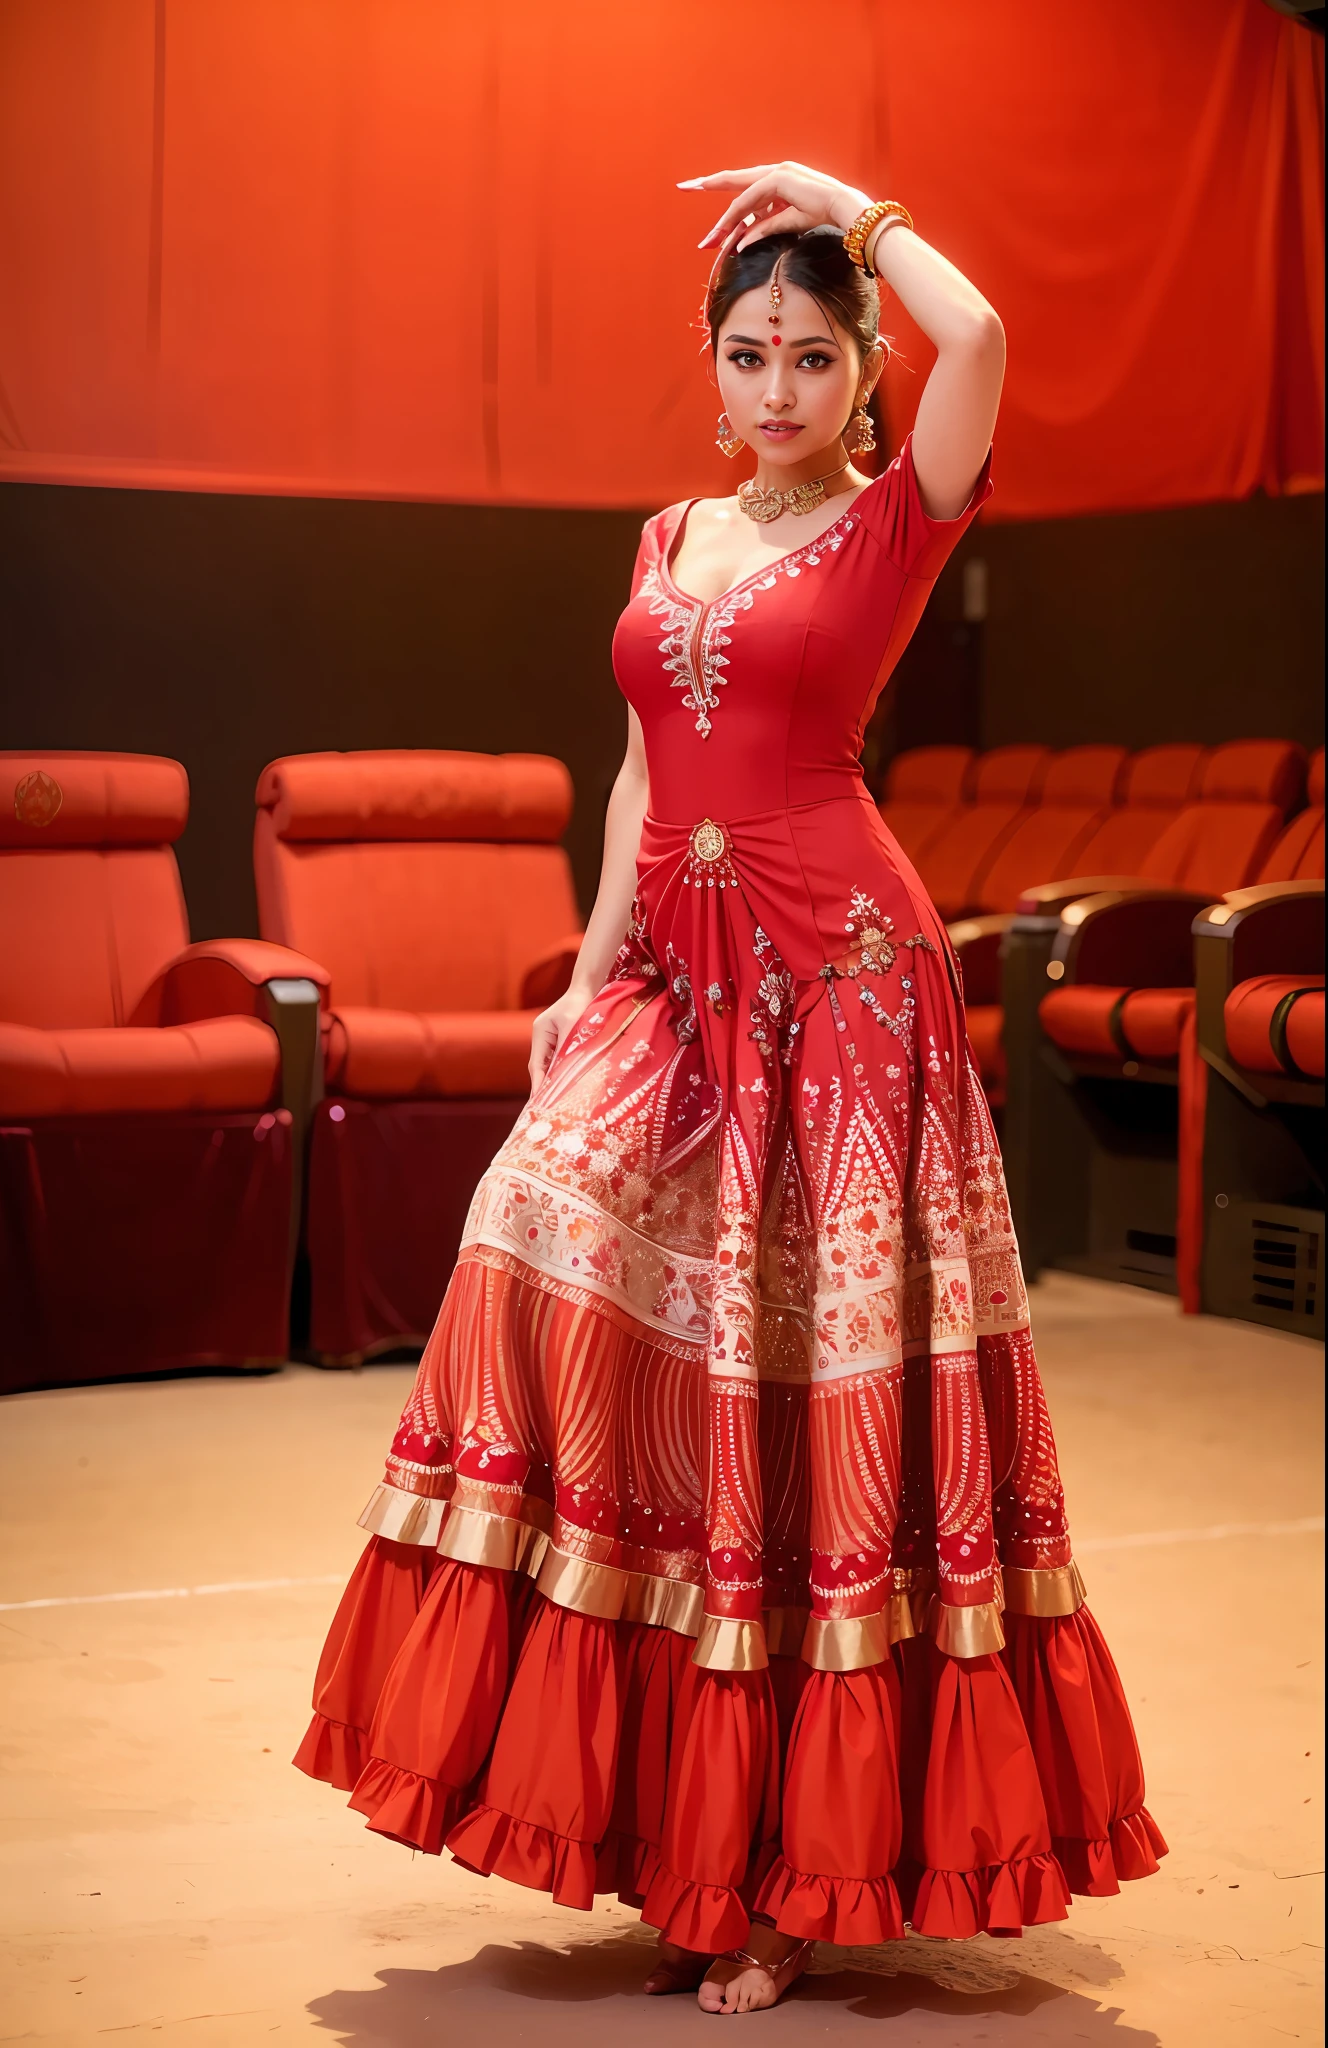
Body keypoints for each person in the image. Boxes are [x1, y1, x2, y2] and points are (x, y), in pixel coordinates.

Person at [294, 161, 1164, 2016]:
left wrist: (853, 206)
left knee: (781, 1407)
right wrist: (588, 973)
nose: (780, 386)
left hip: (839, 994)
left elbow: (989, 331)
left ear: (865, 376)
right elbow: (635, 765)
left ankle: (771, 1874)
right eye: (751, 353)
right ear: (715, 368)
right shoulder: (669, 531)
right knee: (542, 1251)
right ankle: (661, 1823)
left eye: (816, 355)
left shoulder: (899, 517)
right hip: (671, 990)